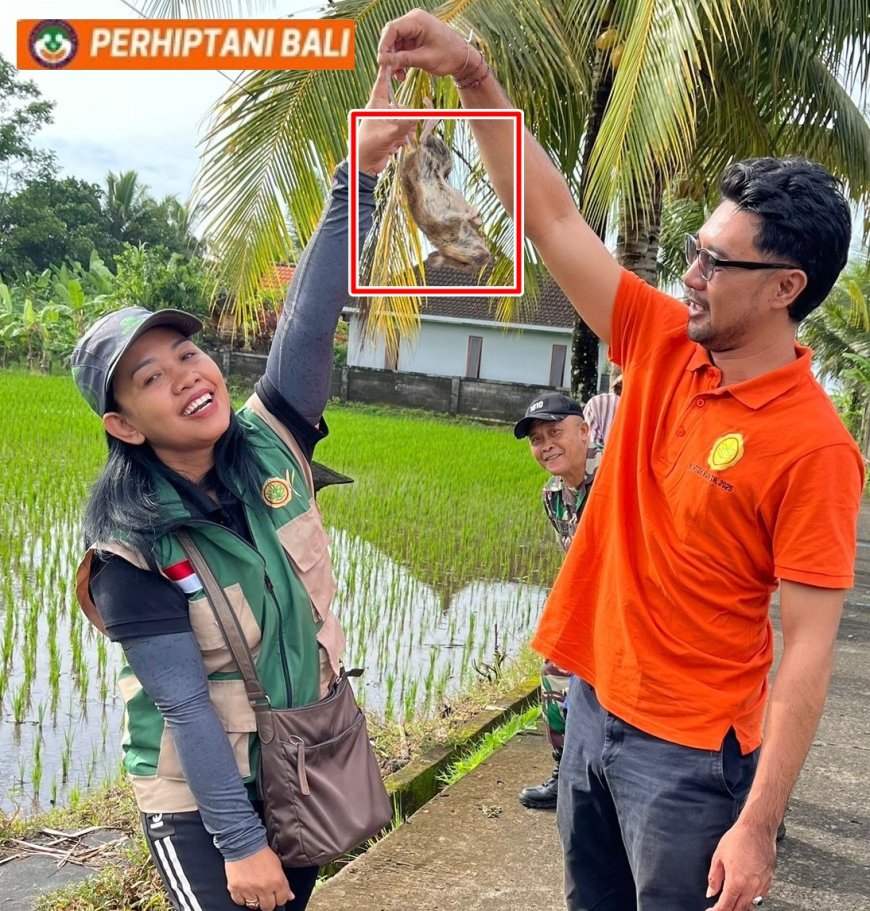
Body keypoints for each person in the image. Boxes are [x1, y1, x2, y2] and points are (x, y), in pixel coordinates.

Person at [378, 13, 864, 911]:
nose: (691, 274)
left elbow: (808, 651)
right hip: (594, 713)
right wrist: (476, 78)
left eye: (716, 261)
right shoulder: (663, 341)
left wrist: (757, 823)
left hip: (690, 761)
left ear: (785, 287)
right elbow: (552, 215)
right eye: (692, 251)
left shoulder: (815, 449)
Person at [70, 70, 415, 911]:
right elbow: (184, 705)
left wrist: (357, 178)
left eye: (187, 355)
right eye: (151, 378)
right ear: (125, 425)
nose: (187, 377)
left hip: (301, 758)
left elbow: (309, 314)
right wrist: (240, 842)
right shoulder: (130, 548)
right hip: (201, 800)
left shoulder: (272, 443)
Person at [514, 391, 619, 809]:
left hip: (636, 608)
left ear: (584, 430)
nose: (546, 446)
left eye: (554, 432)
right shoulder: (554, 495)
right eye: (537, 440)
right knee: (556, 674)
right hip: (592, 607)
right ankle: (565, 771)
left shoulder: (617, 478)